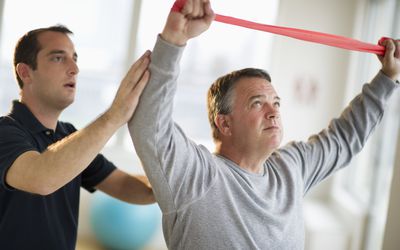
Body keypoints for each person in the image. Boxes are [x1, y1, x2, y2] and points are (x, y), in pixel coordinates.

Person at [128, 0, 400, 249]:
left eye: (277, 103)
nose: (274, 113)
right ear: (224, 123)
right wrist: (174, 38)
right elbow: (150, 126)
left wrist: (388, 77)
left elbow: (343, 138)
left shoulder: (290, 167)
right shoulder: (196, 175)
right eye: (257, 103)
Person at [0, 25, 155, 250]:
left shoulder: (67, 135)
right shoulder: (5, 132)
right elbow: (41, 178)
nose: (74, 68)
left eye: (74, 58)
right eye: (58, 58)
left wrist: (179, 180)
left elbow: (126, 186)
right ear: (25, 72)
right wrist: (114, 116)